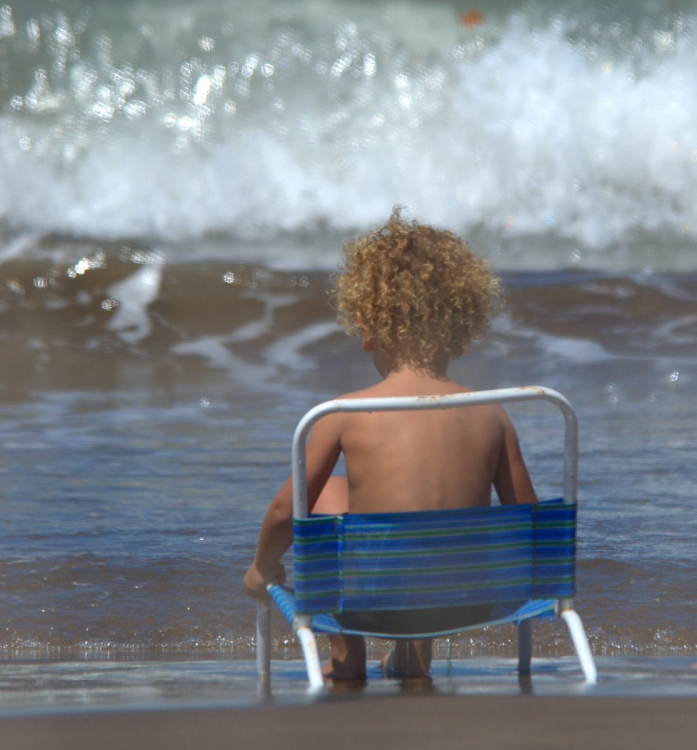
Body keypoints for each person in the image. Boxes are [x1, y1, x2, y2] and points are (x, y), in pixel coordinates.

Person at [244, 209, 538, 681]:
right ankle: (412, 655)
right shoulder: (492, 413)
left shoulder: (341, 414)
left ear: (368, 330)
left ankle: (347, 655)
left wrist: (261, 569)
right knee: (430, 512)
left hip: (370, 607)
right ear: (462, 334)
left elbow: (285, 512)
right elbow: (529, 523)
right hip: (469, 604)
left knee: (322, 494)